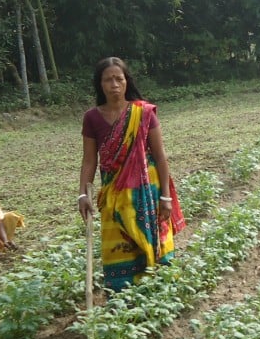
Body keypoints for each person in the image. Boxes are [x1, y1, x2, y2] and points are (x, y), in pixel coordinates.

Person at [77, 56, 185, 292]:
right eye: (108, 80)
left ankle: (159, 290)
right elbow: (89, 161)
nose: (114, 84)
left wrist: (165, 197)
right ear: (100, 84)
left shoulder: (144, 113)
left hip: (148, 190)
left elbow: (160, 156)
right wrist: (82, 195)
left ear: (127, 82)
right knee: (118, 242)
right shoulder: (92, 118)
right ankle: (122, 293)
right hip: (114, 194)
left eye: (119, 78)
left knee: (153, 236)